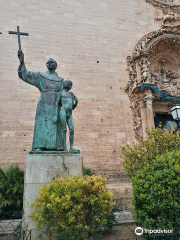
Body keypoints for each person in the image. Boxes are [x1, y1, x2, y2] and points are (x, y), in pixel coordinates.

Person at [18, 50, 64, 151]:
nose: (50, 63)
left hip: (56, 104)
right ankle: (40, 146)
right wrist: (22, 62)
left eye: (52, 62)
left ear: (56, 65)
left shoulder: (60, 80)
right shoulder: (40, 76)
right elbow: (25, 75)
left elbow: (63, 94)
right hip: (44, 103)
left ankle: (57, 147)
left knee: (56, 124)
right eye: (48, 62)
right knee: (42, 123)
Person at [55, 80, 79, 153]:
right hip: (63, 111)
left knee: (72, 129)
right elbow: (57, 104)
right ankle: (64, 147)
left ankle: (71, 147)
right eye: (69, 84)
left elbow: (74, 103)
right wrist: (56, 115)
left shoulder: (71, 94)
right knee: (64, 130)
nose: (70, 86)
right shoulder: (61, 93)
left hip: (69, 113)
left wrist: (75, 103)